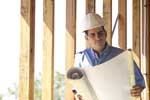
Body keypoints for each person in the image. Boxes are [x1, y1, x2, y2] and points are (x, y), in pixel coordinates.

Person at [73, 13, 145, 99]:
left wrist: (138, 88)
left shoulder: (122, 56)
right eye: (92, 35)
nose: (98, 37)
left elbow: (140, 82)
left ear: (105, 34)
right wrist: (78, 95)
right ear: (86, 38)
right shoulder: (80, 59)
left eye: (100, 33)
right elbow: (77, 88)